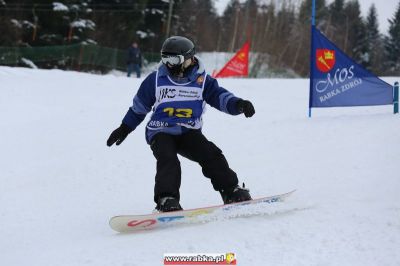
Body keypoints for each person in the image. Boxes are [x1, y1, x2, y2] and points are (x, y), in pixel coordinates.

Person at [107, 36, 256, 212]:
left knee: (210, 154)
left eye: (174, 59)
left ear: (189, 58)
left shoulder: (202, 81)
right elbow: (139, 108)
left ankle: (230, 190)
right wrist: (125, 128)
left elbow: (220, 97)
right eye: (165, 59)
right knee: (168, 159)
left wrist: (239, 104)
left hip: (189, 131)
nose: (169, 64)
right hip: (160, 130)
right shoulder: (156, 80)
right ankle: (167, 198)